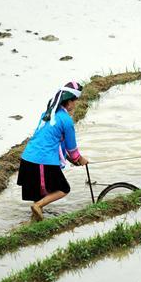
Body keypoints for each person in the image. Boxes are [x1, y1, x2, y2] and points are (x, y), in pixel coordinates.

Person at [17, 81, 89, 221]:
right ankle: (38, 206)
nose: (75, 105)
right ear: (68, 102)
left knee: (39, 194)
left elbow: (52, 141)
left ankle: (35, 222)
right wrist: (80, 159)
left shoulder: (47, 114)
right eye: (75, 101)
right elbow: (72, 149)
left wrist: (72, 159)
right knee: (63, 188)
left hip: (27, 159)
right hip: (42, 161)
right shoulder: (66, 120)